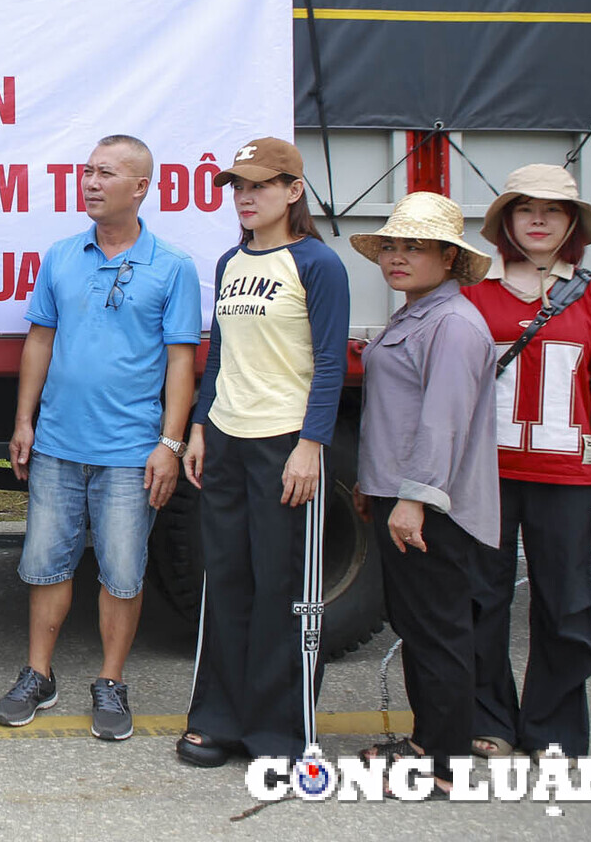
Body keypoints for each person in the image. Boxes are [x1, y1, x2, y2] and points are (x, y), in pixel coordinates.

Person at [0, 135, 200, 740]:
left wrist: (169, 443)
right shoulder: (62, 256)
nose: (90, 182)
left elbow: (182, 363)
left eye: (105, 173)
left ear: (140, 188)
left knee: (121, 572)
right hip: (59, 444)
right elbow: (39, 340)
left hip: (129, 453)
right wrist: (24, 420)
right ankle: (39, 673)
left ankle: (111, 681)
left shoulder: (174, 266)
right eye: (87, 171)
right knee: (45, 565)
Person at [177, 136, 348, 769]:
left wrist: (311, 446)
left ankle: (281, 734)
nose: (245, 198)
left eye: (260, 186)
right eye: (238, 188)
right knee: (224, 583)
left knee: (285, 589)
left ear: (293, 191)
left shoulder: (317, 264)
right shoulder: (230, 261)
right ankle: (217, 719)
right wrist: (198, 427)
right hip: (224, 436)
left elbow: (331, 363)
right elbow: (217, 353)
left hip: (285, 443)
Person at [463, 165, 591, 757]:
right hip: (484, 475)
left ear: (572, 224)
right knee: (482, 599)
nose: (538, 219)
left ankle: (553, 729)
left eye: (554, 210)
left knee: (566, 605)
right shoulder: (473, 291)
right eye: (524, 209)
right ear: (506, 222)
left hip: (567, 476)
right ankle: (489, 719)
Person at [351, 191, 498, 797]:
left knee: (438, 631)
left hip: (430, 505)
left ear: (448, 257)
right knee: (420, 626)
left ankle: (442, 766)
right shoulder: (418, 314)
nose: (397, 256)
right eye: (391, 245)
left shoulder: (453, 325)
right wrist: (375, 483)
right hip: (401, 494)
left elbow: (442, 422)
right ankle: (426, 742)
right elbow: (398, 412)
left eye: (415, 246)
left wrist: (413, 499)